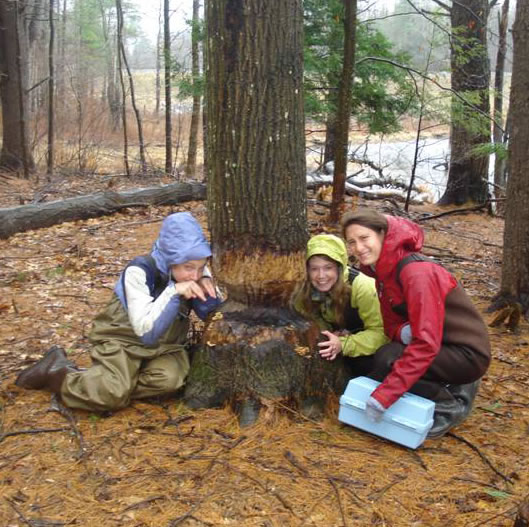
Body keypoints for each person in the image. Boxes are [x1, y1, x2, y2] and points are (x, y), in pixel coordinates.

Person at [15, 212, 222, 412]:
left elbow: (211, 314)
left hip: (164, 347)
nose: (194, 274)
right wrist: (174, 291)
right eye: (189, 267)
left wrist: (205, 281)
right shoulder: (139, 271)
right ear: (171, 258)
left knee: (170, 381)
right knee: (112, 393)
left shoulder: (193, 271)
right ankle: (58, 372)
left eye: (201, 266)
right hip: (122, 340)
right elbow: (146, 333)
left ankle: (111, 385)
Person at [341, 209, 491, 438]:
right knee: (383, 357)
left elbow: (425, 344)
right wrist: (405, 332)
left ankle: (450, 404)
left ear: (382, 234)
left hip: (466, 354)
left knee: (389, 359)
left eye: (364, 238)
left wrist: (384, 397)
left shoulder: (416, 272)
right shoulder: (383, 272)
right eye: (351, 242)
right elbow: (391, 326)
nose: (358, 248)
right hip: (442, 344)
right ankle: (449, 383)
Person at [291, 234, 388, 374]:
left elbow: (382, 333)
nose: (321, 275)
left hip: (368, 345)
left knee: (365, 365)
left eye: (328, 267)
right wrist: (327, 333)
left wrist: (343, 344)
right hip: (341, 338)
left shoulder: (363, 287)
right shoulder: (306, 290)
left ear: (339, 267)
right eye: (314, 269)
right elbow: (310, 318)